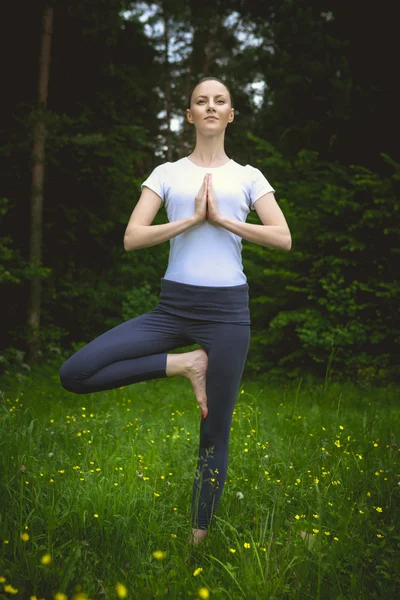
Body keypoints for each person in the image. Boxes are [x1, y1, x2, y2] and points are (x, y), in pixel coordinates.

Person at [59, 76, 292, 545]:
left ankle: (196, 543)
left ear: (231, 115)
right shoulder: (167, 173)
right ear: (189, 115)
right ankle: (186, 364)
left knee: (215, 434)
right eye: (201, 101)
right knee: (75, 373)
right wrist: (189, 220)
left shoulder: (249, 177)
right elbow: (133, 237)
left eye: (220, 100)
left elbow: (283, 237)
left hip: (228, 314)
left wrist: (223, 219)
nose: (210, 106)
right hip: (173, 308)